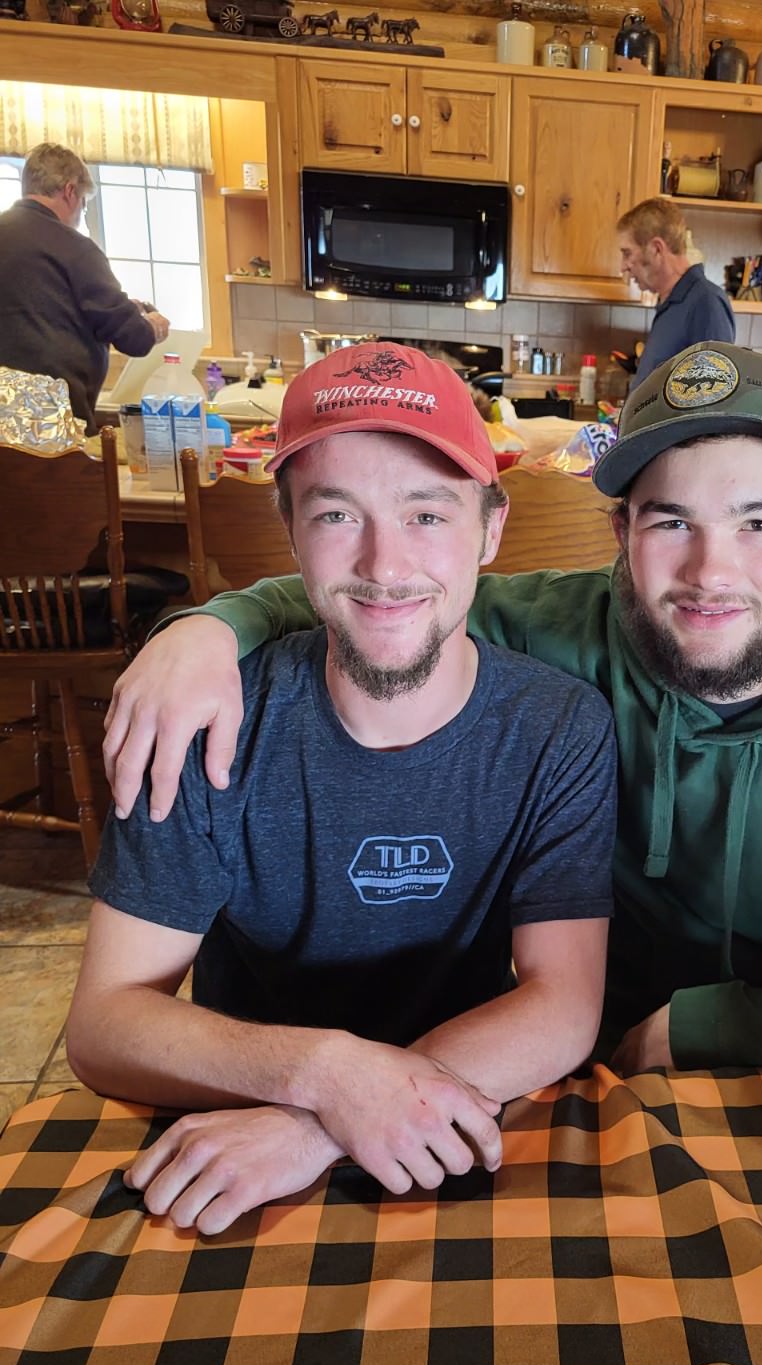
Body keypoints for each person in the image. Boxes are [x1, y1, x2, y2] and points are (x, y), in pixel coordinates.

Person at [102, 341, 762, 1088]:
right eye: (670, 523)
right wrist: (208, 628)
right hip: (562, 1072)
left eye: (759, 524)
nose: (711, 573)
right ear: (621, 536)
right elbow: (387, 604)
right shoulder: (561, 630)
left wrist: (708, 1025)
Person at [68, 342, 617, 1235]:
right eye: (336, 513)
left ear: (491, 529)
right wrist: (326, 1077)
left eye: (427, 514)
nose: (386, 563)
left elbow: (562, 1002)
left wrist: (316, 1123)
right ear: (289, 532)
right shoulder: (203, 719)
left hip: (443, 1130)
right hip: (228, 1143)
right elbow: (104, 1026)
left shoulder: (559, 727)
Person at [0, 143, 170, 432]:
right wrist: (153, 325)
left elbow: (41, 309)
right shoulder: (74, 248)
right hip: (52, 421)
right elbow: (132, 338)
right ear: (70, 191)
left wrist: (125, 310)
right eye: (83, 203)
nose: (81, 214)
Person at [617, 197, 736, 385]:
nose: (623, 267)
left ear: (656, 249)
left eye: (627, 253)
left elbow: (713, 399)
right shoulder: (670, 302)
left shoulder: (706, 303)